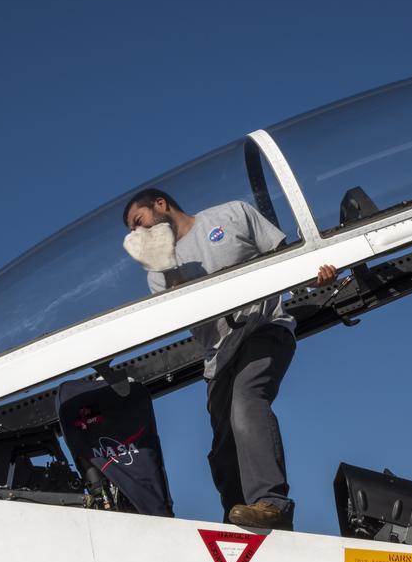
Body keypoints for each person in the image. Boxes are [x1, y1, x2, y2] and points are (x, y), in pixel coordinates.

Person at [121, 188, 335, 530]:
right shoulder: (156, 274)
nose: (138, 232)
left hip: (264, 328)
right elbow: (181, 314)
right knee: (223, 449)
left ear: (160, 205)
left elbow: (286, 255)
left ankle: (271, 503)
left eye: (138, 221)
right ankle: (238, 519)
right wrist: (165, 266)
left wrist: (317, 272)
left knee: (247, 400)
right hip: (219, 357)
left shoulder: (232, 215)